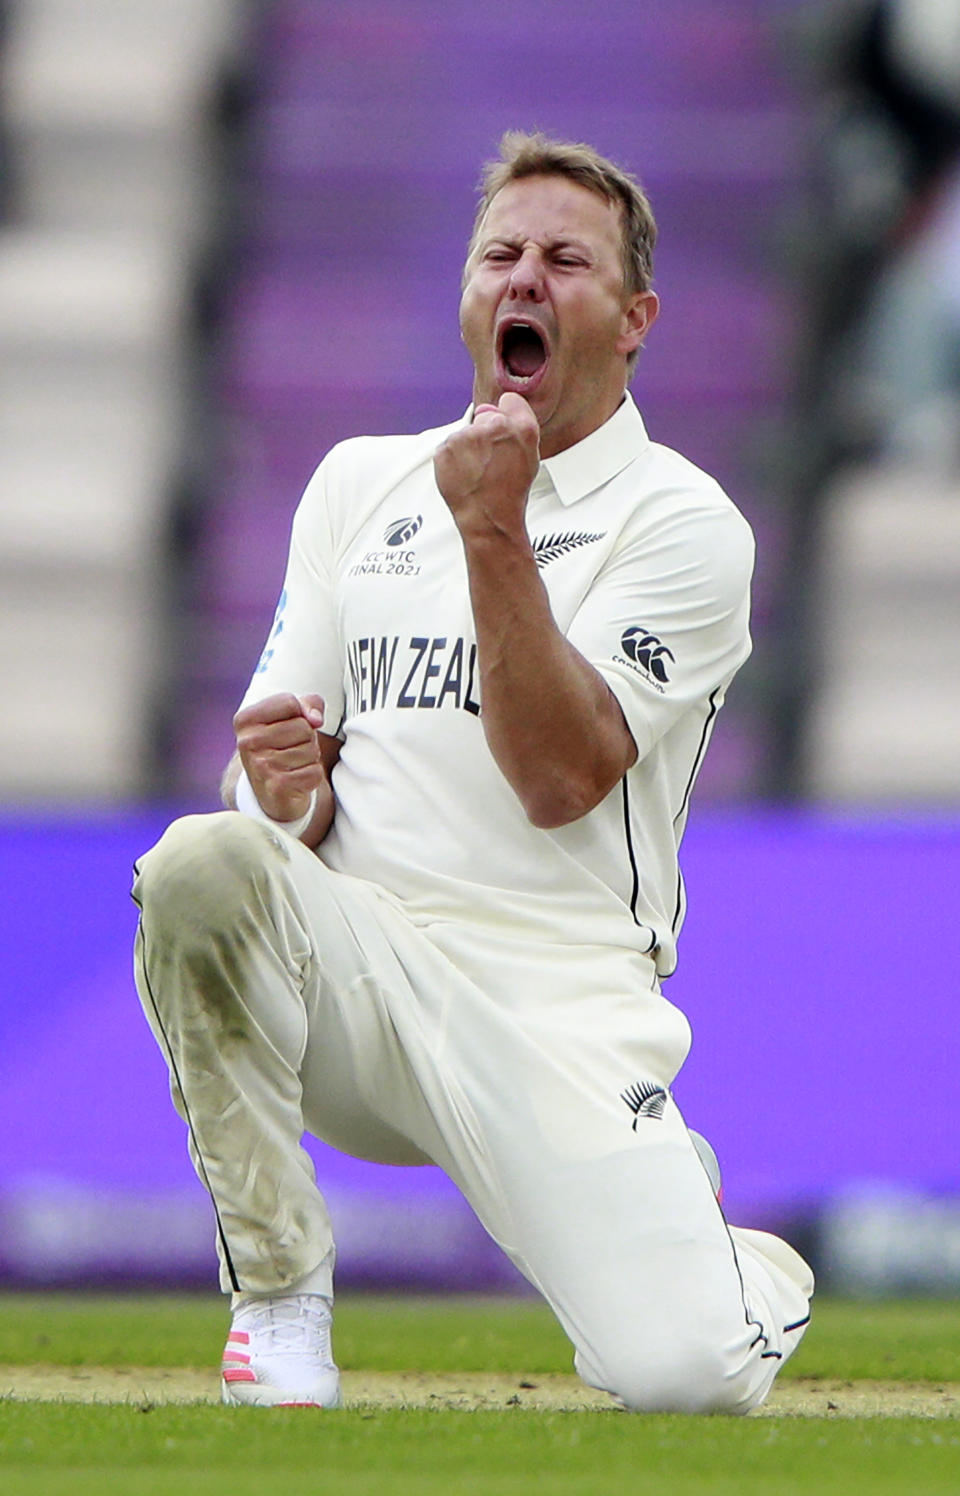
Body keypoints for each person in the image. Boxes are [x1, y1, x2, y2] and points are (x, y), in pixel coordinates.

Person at [132, 131, 812, 1414]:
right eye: (499, 254)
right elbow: (275, 801)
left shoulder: (684, 521)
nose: (525, 281)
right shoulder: (356, 484)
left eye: (567, 260)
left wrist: (492, 523)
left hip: (551, 1003)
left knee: (684, 1377)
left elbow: (560, 777)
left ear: (635, 317)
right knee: (198, 863)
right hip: (363, 965)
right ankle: (278, 1299)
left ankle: (730, 1262)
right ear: (466, 295)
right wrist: (285, 794)